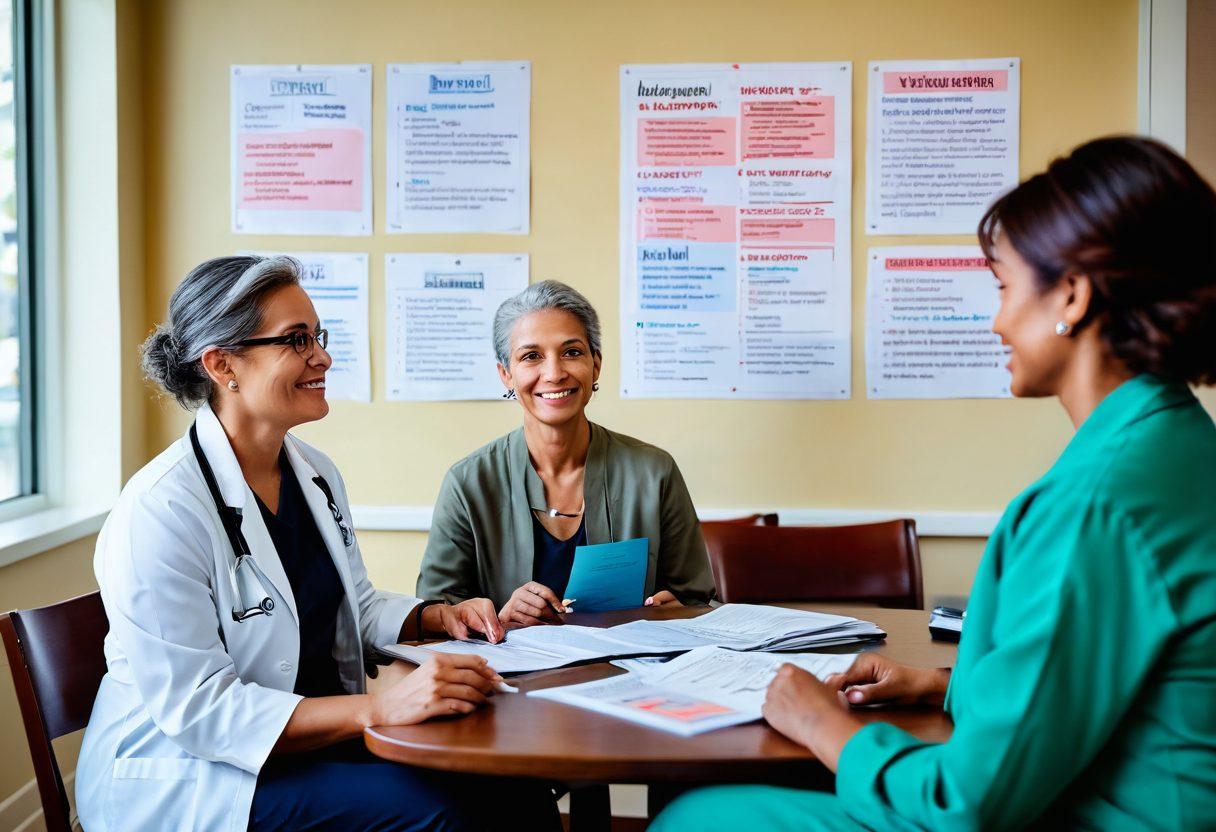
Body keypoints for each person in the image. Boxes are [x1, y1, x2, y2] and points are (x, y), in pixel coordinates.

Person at [653, 136, 1216, 830]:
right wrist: (943, 685)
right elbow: (1111, 683)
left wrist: (823, 724)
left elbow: (966, 806)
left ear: (1071, 293)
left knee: (701, 820)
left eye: (1005, 286)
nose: (997, 320)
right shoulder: (1180, 448)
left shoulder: (1095, 503)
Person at [76, 256, 558, 831]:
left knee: (516, 784)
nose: (323, 357)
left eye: (318, 336)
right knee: (448, 813)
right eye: (296, 340)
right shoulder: (160, 509)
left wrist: (439, 616)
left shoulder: (314, 474)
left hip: (301, 746)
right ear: (221, 363)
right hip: (196, 775)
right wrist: (380, 707)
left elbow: (354, 603)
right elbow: (201, 712)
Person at [417, 280, 714, 625]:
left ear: (596, 364)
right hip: (510, 676)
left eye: (572, 352)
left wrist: (676, 610)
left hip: (628, 670)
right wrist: (499, 618)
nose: (555, 373)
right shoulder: (468, 482)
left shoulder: (654, 471)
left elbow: (697, 598)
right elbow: (437, 612)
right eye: (531, 356)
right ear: (506, 375)